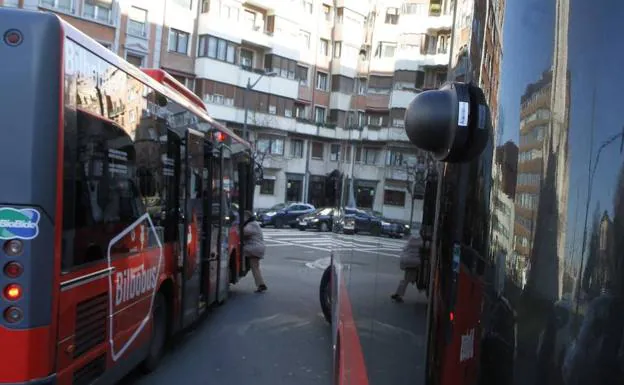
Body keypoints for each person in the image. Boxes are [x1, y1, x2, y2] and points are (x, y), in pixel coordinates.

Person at [391, 234, 423, 303]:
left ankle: (398, 294)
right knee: (406, 280)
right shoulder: (420, 245)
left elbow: (404, 252)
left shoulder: (409, 245)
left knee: (405, 280)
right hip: (415, 264)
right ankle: (398, 295)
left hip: (408, 263)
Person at [242, 210, 267, 293]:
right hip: (257, 248)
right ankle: (261, 284)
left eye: (243, 217)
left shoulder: (251, 225)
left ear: (247, 217)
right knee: (255, 267)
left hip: (254, 248)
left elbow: (244, 232)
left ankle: (242, 267)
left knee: (239, 251)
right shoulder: (254, 223)